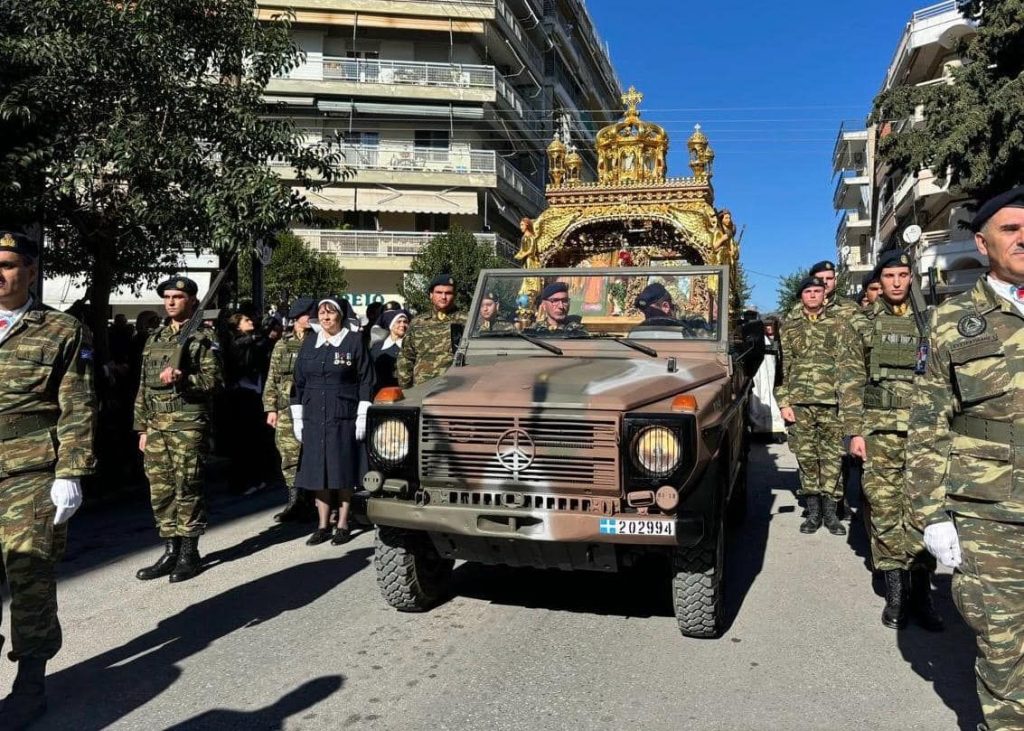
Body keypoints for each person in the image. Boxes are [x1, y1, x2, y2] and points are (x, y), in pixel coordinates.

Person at [906, 185, 1024, 730]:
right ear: (982, 244)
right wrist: (929, 513)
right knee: (1007, 655)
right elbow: (929, 421)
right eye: (1011, 229)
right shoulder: (955, 320)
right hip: (991, 515)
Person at [0, 230, 96, 729]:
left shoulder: (61, 330)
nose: (0, 272)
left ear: (31, 271)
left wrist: (71, 472)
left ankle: (30, 684)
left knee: (29, 578)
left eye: (9, 263)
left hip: (30, 470)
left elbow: (77, 406)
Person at [839, 251, 943, 631]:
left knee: (923, 512)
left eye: (903, 274)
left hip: (924, 434)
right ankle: (897, 595)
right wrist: (854, 432)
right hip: (879, 433)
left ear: (911, 278)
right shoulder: (862, 322)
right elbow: (849, 380)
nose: (897, 282)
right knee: (884, 512)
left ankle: (922, 595)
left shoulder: (929, 322)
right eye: (889, 275)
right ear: (878, 282)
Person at [134, 276, 223, 583]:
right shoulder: (155, 337)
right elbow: (144, 387)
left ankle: (189, 552)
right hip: (156, 424)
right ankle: (170, 549)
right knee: (160, 489)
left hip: (187, 423)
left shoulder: (203, 338)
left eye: (177, 297)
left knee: (188, 486)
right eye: (167, 297)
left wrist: (185, 378)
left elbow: (215, 382)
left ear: (192, 301)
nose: (170, 302)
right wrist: (142, 428)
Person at [291, 296, 375, 546]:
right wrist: (297, 417)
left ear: (340, 315)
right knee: (319, 471)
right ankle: (322, 524)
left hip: (343, 414)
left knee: (342, 470)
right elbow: (298, 382)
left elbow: (366, 379)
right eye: (322, 313)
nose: (327, 318)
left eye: (331, 313)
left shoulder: (354, 341)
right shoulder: (309, 343)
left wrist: (363, 413)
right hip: (314, 415)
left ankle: (343, 523)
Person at [775, 275, 850, 536]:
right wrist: (784, 402)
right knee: (807, 458)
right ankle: (813, 513)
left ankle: (831, 514)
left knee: (832, 460)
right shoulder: (789, 327)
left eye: (817, 291)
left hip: (832, 403)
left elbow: (847, 365)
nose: (813, 295)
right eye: (808, 292)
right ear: (801, 297)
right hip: (800, 403)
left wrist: (847, 402)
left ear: (824, 295)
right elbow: (781, 368)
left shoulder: (839, 324)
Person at [264, 298, 314, 523]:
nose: (311, 319)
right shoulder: (283, 344)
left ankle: (316, 501)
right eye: (308, 316)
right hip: (286, 409)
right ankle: (295, 500)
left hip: (313, 407)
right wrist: (270, 408)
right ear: (298, 318)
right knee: (289, 454)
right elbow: (272, 378)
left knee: (314, 454)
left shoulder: (320, 341)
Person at [222, 312, 274, 495]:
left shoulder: (252, 342)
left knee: (253, 440)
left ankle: (254, 478)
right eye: (246, 320)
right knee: (244, 441)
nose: (250, 321)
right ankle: (243, 481)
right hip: (242, 396)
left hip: (252, 393)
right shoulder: (238, 343)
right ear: (237, 326)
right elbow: (242, 360)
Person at [396, 275, 466, 388]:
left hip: (456, 388)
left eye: (448, 293)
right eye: (439, 292)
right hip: (421, 389)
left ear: (454, 296)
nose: (443, 297)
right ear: (431, 295)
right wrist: (406, 389)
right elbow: (406, 357)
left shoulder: (466, 321)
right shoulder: (418, 323)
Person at [750, 315, 786, 441]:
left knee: (775, 399)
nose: (769, 328)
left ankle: (777, 429)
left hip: (774, 374)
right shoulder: (759, 339)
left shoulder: (779, 339)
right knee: (759, 399)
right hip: (760, 374)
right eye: (766, 326)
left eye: (771, 326)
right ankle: (760, 429)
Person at [369, 309, 409, 393]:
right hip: (379, 394)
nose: (402, 325)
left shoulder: (410, 347)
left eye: (405, 322)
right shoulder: (377, 347)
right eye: (399, 322)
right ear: (391, 325)